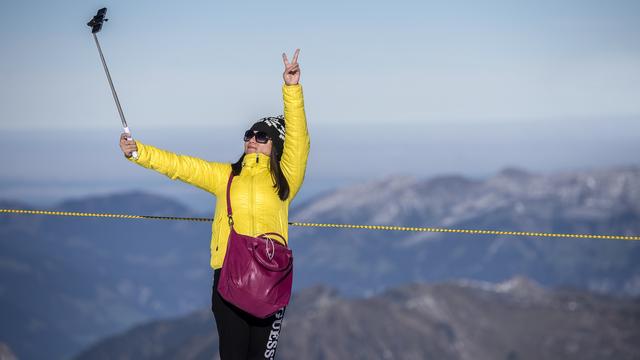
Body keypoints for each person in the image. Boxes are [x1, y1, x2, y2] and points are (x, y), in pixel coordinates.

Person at [119, 49, 309, 360]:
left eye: (261, 135)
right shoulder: (226, 176)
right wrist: (137, 152)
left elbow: (299, 139)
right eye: (249, 133)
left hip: (270, 280)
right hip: (229, 280)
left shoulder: (285, 178)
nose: (252, 138)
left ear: (276, 144)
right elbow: (181, 165)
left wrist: (291, 89)